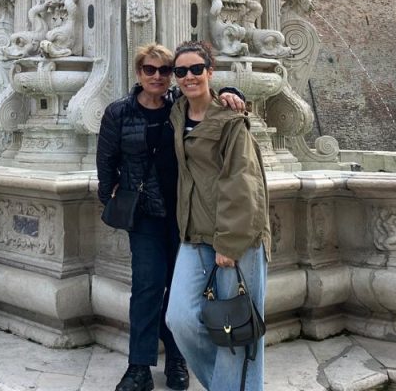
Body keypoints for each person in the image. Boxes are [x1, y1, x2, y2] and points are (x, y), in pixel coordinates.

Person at [97, 43, 245, 391]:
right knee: (147, 286)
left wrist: (232, 91)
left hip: (184, 213)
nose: (158, 76)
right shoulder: (119, 113)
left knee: (180, 290)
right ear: (139, 73)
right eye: (150, 70)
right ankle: (138, 367)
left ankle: (178, 358)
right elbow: (106, 163)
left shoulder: (179, 106)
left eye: (166, 71)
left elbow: (207, 101)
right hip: (145, 215)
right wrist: (113, 199)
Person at [165, 41, 270, 391]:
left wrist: (230, 243)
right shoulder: (177, 113)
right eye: (181, 71)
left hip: (236, 239)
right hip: (194, 234)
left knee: (238, 330)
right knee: (180, 319)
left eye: (197, 69)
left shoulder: (230, 120)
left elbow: (244, 182)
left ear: (211, 72)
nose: (189, 76)